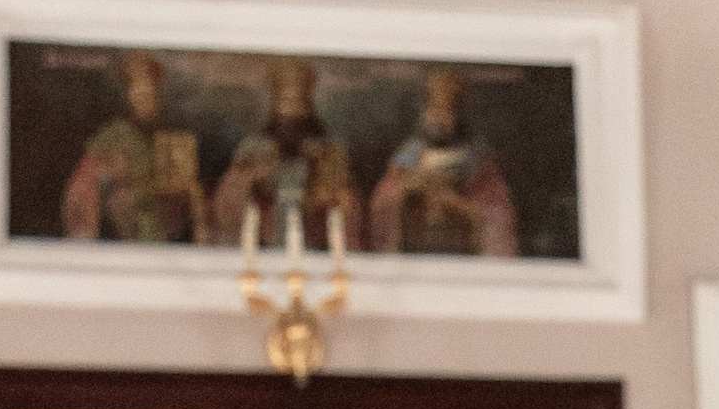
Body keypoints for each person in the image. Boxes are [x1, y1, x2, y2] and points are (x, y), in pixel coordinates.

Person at [366, 65, 519, 259]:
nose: (439, 117)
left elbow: (496, 211)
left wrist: (460, 206)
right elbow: (386, 199)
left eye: (447, 108)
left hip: (462, 251)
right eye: (434, 107)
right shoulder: (409, 153)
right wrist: (409, 191)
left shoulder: (478, 157)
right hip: (416, 251)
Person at [60, 50, 212, 245]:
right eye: (136, 89)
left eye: (149, 89)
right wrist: (110, 172)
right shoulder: (113, 134)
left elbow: (186, 184)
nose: (143, 97)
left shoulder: (174, 133)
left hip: (167, 218)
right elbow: (87, 179)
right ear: (129, 94)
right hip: (122, 221)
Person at [208, 55, 361, 246]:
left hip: (311, 234)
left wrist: (334, 198)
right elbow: (229, 195)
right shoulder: (253, 146)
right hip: (266, 234)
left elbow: (347, 200)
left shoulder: (327, 147)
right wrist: (253, 174)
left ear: (307, 104)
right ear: (275, 104)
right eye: (286, 101)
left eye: (298, 102)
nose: (292, 109)